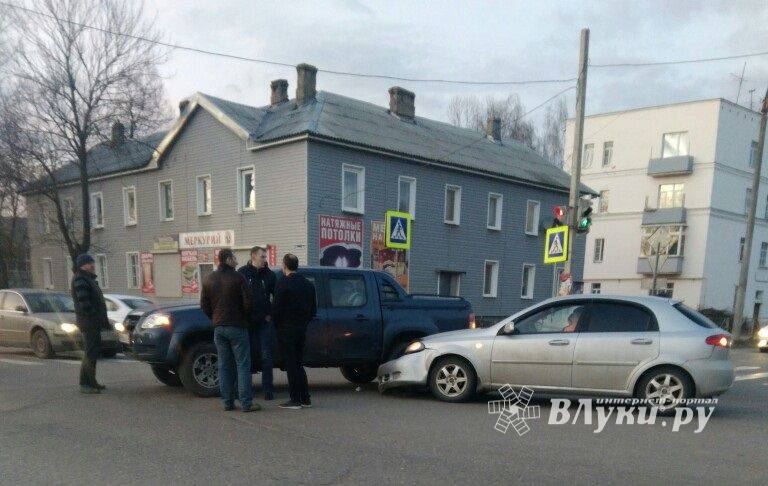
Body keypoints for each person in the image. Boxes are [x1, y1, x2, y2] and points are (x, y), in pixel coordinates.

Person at [200, 248, 260, 412]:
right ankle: (246, 403)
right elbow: (248, 303)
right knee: (242, 365)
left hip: (219, 328)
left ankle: (227, 402)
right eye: (234, 258)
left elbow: (204, 305)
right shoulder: (238, 278)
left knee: (224, 365)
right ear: (227, 259)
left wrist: (215, 318)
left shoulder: (208, 279)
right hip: (238, 326)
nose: (237, 261)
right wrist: (246, 317)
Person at [272, 253, 317, 410]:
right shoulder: (308, 284)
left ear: (284, 266)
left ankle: (295, 400)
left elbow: (276, 309)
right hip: (301, 328)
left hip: (286, 329)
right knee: (299, 363)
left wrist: (276, 324)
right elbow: (313, 309)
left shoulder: (283, 283)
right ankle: (305, 398)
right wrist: (304, 321)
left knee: (291, 364)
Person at [238, 246, 277, 400]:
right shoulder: (242, 273)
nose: (264, 259)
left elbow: (276, 297)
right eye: (262, 256)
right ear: (253, 256)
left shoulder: (270, 275)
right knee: (244, 357)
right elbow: (236, 296)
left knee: (266, 356)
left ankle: (268, 390)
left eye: (265, 257)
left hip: (264, 322)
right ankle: (245, 391)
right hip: (246, 322)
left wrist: (270, 314)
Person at [71, 254, 110, 394]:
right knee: (90, 353)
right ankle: (86, 384)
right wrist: (95, 315)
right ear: (82, 266)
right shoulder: (81, 279)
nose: (92, 265)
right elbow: (84, 303)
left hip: (92, 321)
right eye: (89, 263)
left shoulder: (88, 279)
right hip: (89, 322)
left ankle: (91, 382)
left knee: (92, 352)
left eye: (92, 262)